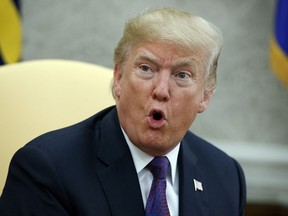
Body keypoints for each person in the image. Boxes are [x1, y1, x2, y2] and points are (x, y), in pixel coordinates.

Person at [0, 8, 246, 216]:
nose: (161, 90)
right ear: (118, 79)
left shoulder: (225, 177)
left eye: (182, 75)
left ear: (205, 95)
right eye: (147, 68)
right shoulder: (46, 170)